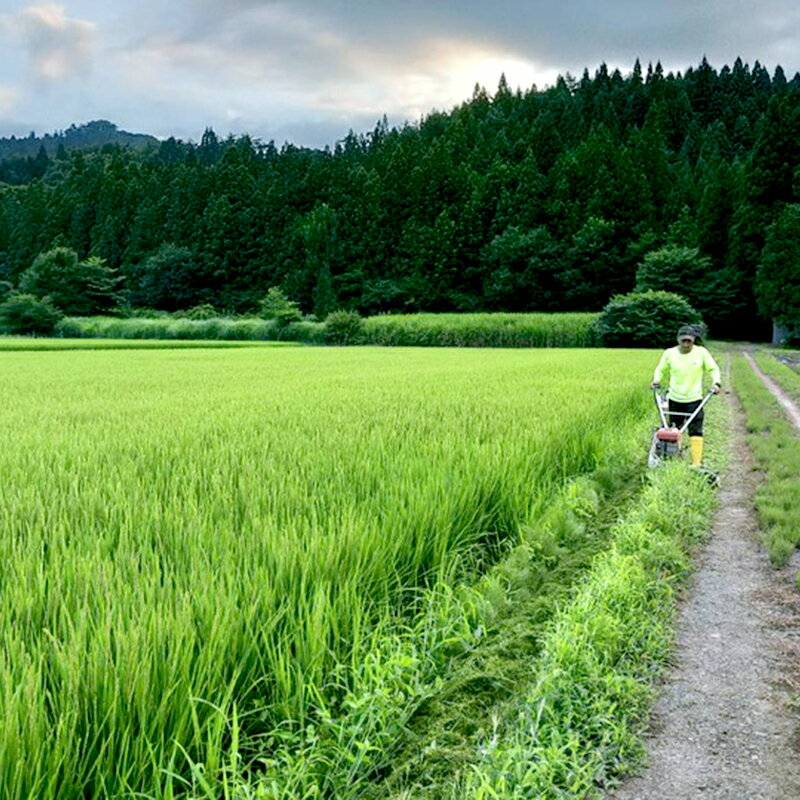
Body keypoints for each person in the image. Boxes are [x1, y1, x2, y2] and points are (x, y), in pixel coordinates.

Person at [651, 325, 721, 467]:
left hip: (694, 399)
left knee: (696, 430)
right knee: (673, 429)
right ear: (678, 340)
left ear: (694, 340)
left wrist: (716, 383)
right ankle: (673, 457)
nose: (686, 343)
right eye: (684, 340)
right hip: (674, 398)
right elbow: (660, 369)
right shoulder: (669, 353)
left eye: (689, 341)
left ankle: (696, 463)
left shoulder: (701, 353)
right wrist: (656, 380)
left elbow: (713, 369)